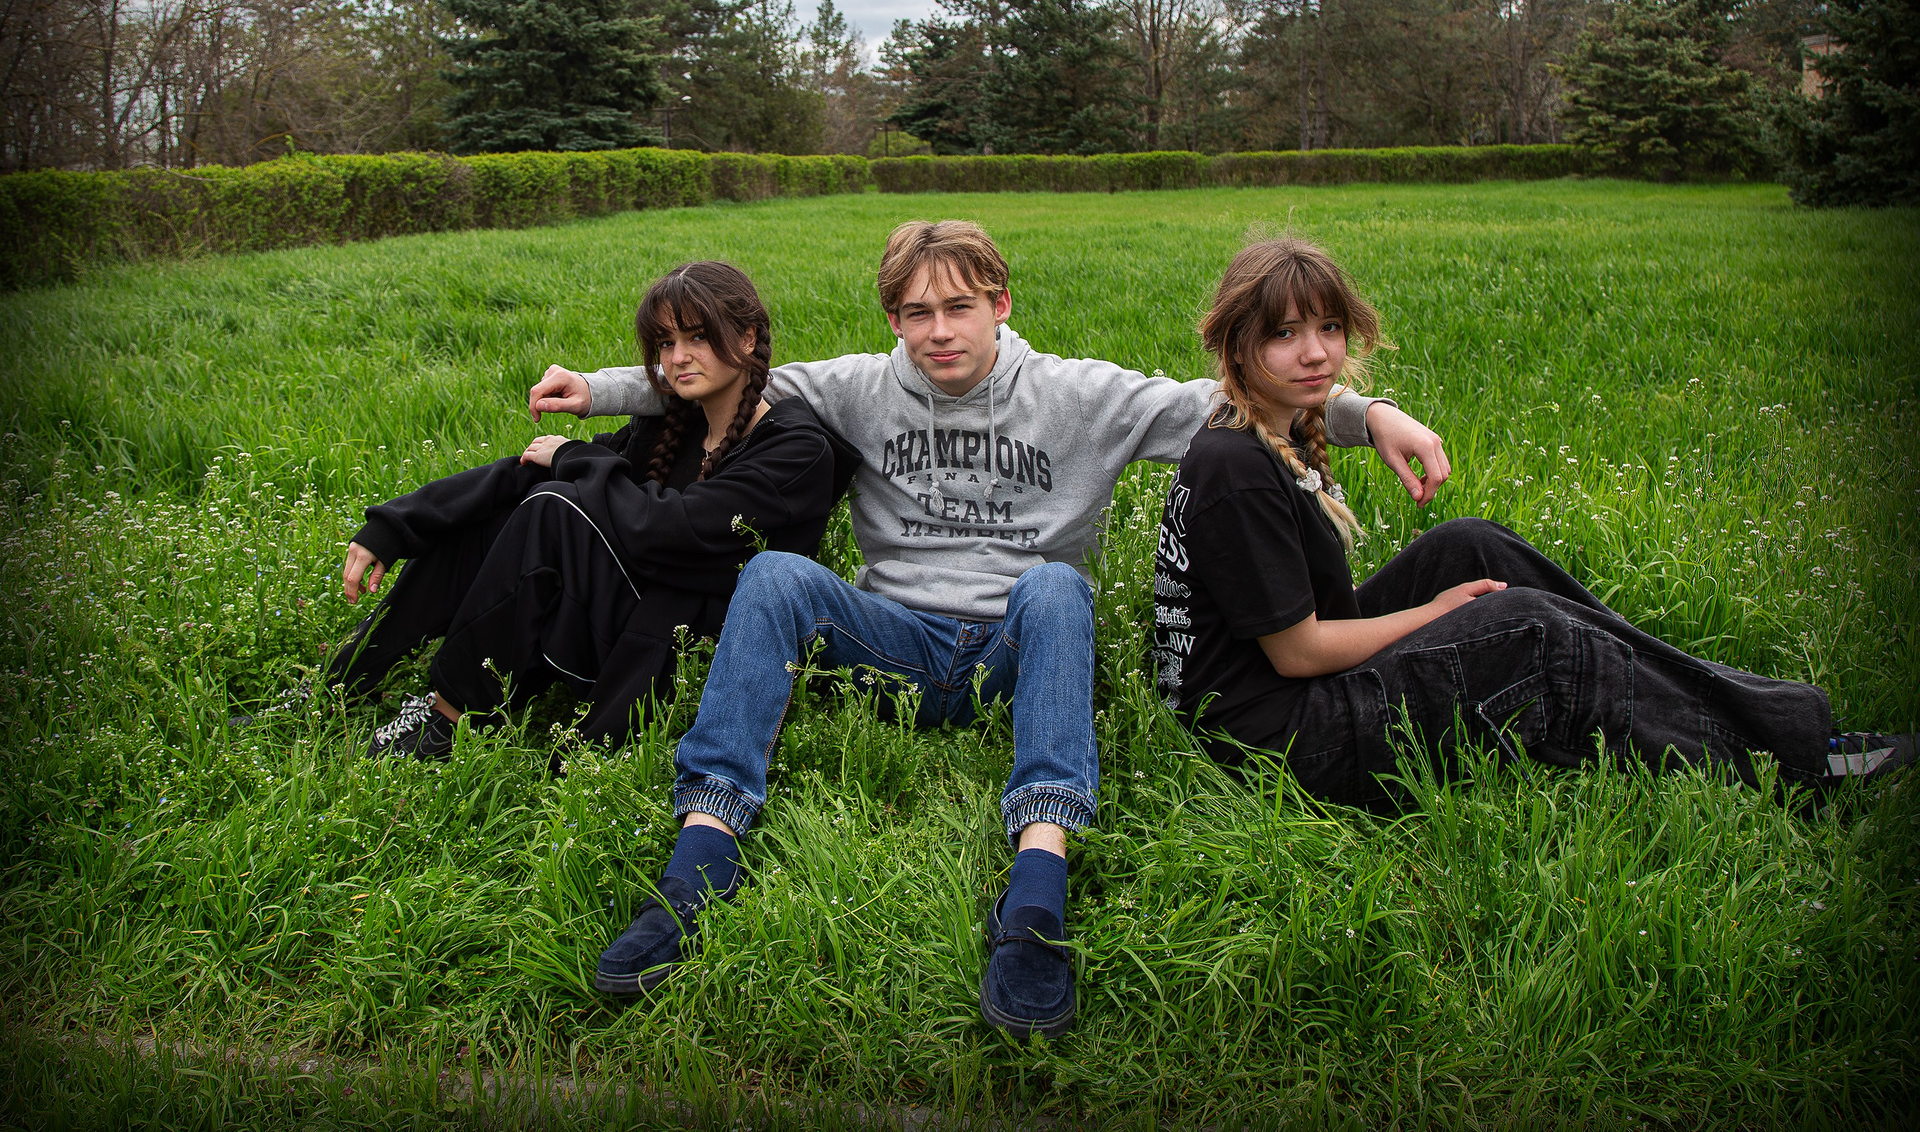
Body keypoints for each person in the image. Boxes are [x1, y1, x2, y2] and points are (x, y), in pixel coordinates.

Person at [526, 219, 1451, 1036]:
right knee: (773, 576)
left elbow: (1224, 401)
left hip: (1015, 643)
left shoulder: (1077, 395)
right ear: (893, 319)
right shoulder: (857, 388)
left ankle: (1036, 897)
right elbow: (729, 372)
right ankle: (702, 856)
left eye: (960, 307)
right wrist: (598, 390)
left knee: (1057, 587)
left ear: (1000, 304)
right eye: (917, 313)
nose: (940, 331)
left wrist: (1371, 413)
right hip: (890, 641)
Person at [1152, 236, 1914, 811]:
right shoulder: (1236, 466)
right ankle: (1797, 767)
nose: (1316, 352)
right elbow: (1299, 653)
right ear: (1236, 344)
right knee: (1524, 627)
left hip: (1286, 701)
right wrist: (1437, 614)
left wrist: (1442, 599)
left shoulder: (1271, 431)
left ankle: (1750, 712)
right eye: (1284, 334)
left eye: (1328, 326)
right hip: (1278, 749)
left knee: (1472, 546)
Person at [324, 260, 855, 761]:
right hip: (618, 611)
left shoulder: (796, 450)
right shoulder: (676, 421)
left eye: (698, 336)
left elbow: (673, 527)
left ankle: (449, 717)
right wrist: (396, 524)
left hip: (682, 650)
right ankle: (345, 678)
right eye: (666, 342)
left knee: (554, 508)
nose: (678, 357)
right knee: (512, 508)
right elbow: (532, 470)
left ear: (747, 338)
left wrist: (574, 456)